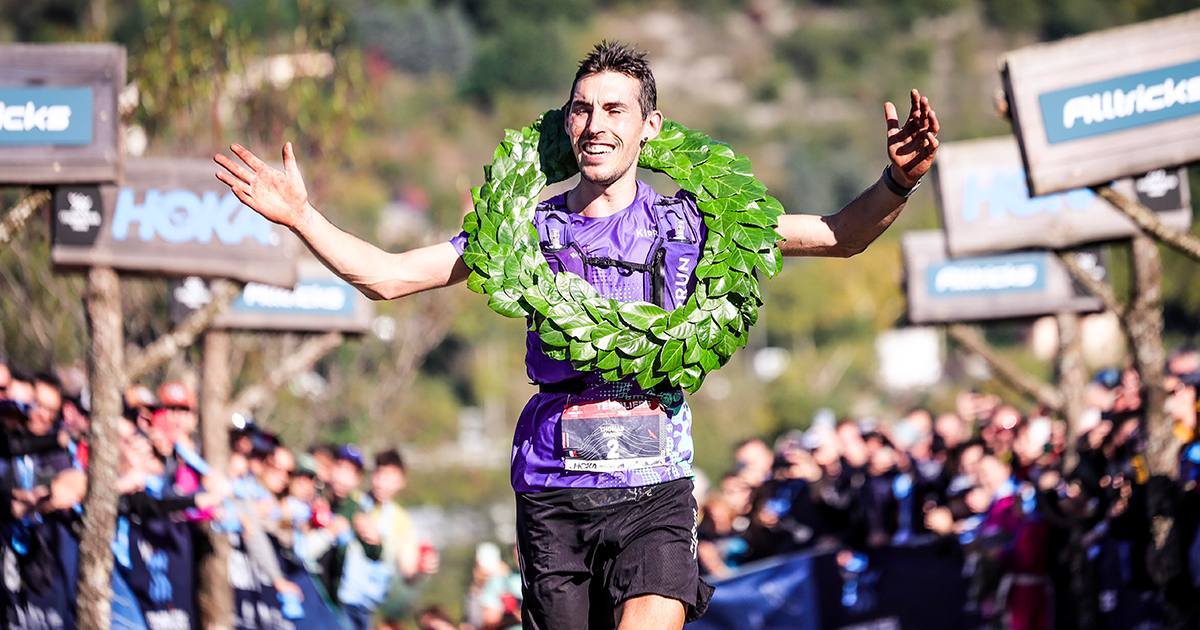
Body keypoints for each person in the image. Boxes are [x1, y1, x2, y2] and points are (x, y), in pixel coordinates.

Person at [216, 40, 939, 629]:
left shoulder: (694, 223)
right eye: (583, 109)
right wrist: (302, 217)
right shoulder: (525, 232)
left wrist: (897, 182)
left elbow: (839, 236)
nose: (597, 124)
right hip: (551, 489)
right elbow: (388, 276)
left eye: (616, 109)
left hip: (654, 487)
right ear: (566, 125)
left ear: (650, 128)